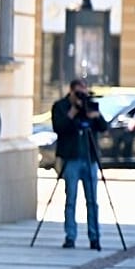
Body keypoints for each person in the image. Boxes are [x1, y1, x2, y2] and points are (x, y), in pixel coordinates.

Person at [51, 79, 110, 250]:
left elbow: (103, 127)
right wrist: (73, 111)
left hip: (89, 157)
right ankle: (70, 236)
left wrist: (96, 116)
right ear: (70, 92)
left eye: (83, 93)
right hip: (71, 158)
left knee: (92, 201)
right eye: (78, 93)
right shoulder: (61, 106)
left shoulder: (90, 105)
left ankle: (94, 236)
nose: (81, 97)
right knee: (71, 199)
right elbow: (59, 128)